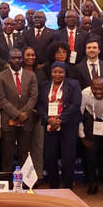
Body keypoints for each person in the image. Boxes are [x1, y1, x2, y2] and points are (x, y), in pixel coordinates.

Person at [39, 60, 81, 189]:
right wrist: (48, 119)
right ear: (51, 72)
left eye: (60, 72)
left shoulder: (74, 84)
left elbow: (75, 104)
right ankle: (54, 185)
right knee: (49, 157)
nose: (57, 74)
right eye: (55, 72)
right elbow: (40, 105)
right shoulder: (44, 85)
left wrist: (60, 120)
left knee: (68, 158)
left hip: (68, 125)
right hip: (50, 125)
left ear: (65, 73)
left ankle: (68, 185)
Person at [0, 48, 37, 173]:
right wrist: (17, 114)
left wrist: (24, 114)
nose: (17, 60)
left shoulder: (31, 75)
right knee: (7, 154)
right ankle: (8, 180)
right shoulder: (0, 76)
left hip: (26, 120)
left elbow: (34, 97)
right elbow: (1, 99)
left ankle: (24, 180)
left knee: (24, 153)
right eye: (14, 58)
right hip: (8, 121)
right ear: (9, 60)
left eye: (19, 58)